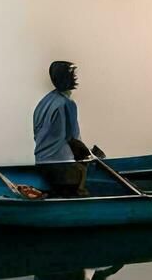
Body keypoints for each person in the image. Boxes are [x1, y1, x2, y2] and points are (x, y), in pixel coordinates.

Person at [32, 60, 102, 197]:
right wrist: (91, 156)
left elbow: (37, 135)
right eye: (73, 73)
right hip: (62, 166)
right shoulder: (67, 104)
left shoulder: (43, 103)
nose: (75, 76)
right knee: (83, 178)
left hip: (41, 163)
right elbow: (73, 139)